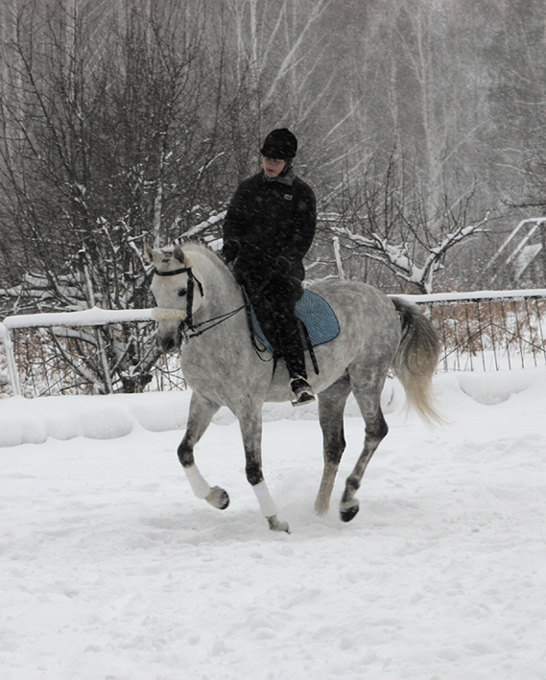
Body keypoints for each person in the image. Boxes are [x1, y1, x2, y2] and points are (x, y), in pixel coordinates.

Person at [222, 128, 317, 406]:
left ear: (288, 161)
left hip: (282, 271)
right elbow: (233, 222)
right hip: (248, 267)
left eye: (276, 161)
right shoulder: (248, 188)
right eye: (266, 159)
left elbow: (305, 233)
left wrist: (288, 257)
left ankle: (298, 378)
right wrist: (231, 244)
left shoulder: (301, 193)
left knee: (279, 311)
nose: (270, 164)